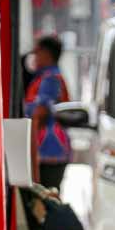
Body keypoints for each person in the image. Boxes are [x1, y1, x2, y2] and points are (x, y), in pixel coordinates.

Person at [23, 35, 71, 191]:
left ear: (47, 54)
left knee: (46, 199)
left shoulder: (50, 79)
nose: (34, 57)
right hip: (46, 151)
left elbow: (40, 113)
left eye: (37, 52)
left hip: (49, 150)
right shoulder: (44, 77)